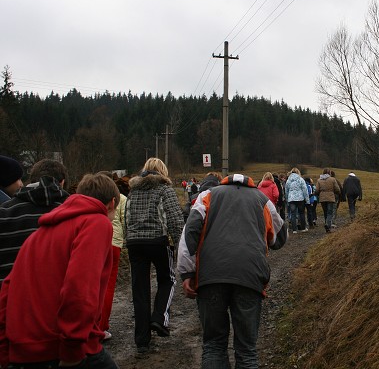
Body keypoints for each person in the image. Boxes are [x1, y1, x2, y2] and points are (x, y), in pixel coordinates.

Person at [0, 173, 121, 369]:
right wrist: (72, 350)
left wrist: (5, 352)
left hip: (23, 353)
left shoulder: (38, 235)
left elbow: (7, 290)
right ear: (112, 203)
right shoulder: (96, 223)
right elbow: (79, 289)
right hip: (62, 350)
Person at [177, 174, 287, 368]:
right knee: (247, 350)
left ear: (224, 182)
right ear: (251, 183)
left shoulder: (208, 195)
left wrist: (187, 273)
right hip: (249, 277)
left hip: (211, 277)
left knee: (213, 345)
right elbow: (279, 238)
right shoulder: (262, 200)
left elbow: (189, 234)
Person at [124, 158, 184, 355]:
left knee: (139, 290)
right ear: (162, 171)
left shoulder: (133, 190)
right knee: (167, 279)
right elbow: (174, 218)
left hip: (135, 243)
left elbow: (127, 216)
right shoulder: (164, 189)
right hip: (158, 240)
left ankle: (141, 339)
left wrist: (128, 239)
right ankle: (159, 317)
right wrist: (179, 243)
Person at [0, 159, 69, 285]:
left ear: (32, 181)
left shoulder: (4, 212)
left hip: (8, 296)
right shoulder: (73, 211)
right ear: (62, 182)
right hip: (55, 295)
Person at [97, 172, 128, 342]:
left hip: (93, 240)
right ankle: (102, 326)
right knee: (108, 286)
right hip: (114, 243)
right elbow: (125, 220)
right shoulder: (121, 198)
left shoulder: (92, 196)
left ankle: (90, 324)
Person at [315, 168, 341, 233]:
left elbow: (317, 190)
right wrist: (335, 193)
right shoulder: (332, 179)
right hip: (330, 197)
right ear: (329, 173)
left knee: (325, 212)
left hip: (322, 198)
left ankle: (326, 223)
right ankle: (328, 225)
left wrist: (318, 194)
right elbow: (337, 189)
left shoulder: (319, 180)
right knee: (330, 212)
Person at [285, 167, 310, 234]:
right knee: (301, 213)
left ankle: (294, 230)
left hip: (291, 199)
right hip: (300, 198)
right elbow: (305, 190)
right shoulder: (301, 179)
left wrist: (287, 199)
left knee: (293, 214)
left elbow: (286, 191)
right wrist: (307, 200)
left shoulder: (288, 181)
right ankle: (303, 228)